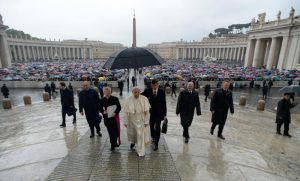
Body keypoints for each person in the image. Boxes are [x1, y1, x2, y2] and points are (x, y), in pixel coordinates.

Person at [123, 87, 151, 157]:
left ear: (140, 92)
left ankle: (141, 151)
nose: (136, 94)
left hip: (141, 119)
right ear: (132, 92)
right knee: (133, 134)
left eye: (138, 92)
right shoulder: (128, 99)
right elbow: (126, 112)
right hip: (132, 119)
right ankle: (133, 143)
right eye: (135, 92)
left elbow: (147, 112)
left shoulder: (144, 99)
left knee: (140, 135)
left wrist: (146, 121)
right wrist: (125, 122)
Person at [142, 79, 167, 151]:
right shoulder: (148, 91)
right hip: (150, 113)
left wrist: (165, 114)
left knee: (158, 127)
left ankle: (156, 143)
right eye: (153, 85)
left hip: (159, 113)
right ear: (151, 85)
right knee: (152, 126)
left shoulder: (162, 92)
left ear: (158, 85)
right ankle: (153, 136)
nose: (154, 86)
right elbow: (140, 95)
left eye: (155, 85)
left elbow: (164, 104)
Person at [100, 87, 122, 151]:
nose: (107, 93)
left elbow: (119, 107)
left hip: (114, 118)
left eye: (108, 92)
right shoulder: (102, 100)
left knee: (115, 132)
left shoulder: (115, 99)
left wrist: (115, 112)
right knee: (110, 132)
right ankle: (113, 144)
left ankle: (114, 142)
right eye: (105, 92)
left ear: (110, 92)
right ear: (104, 92)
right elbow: (100, 108)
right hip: (106, 119)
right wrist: (103, 112)